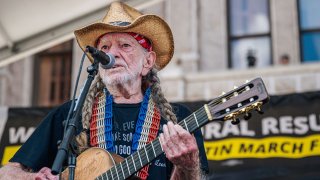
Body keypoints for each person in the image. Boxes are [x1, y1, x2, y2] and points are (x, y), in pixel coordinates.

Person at [0, 2, 208, 180]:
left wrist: (187, 166)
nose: (112, 53)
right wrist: (32, 177)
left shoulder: (178, 119)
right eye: (105, 47)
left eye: (124, 45)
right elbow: (7, 173)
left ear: (148, 61)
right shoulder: (70, 114)